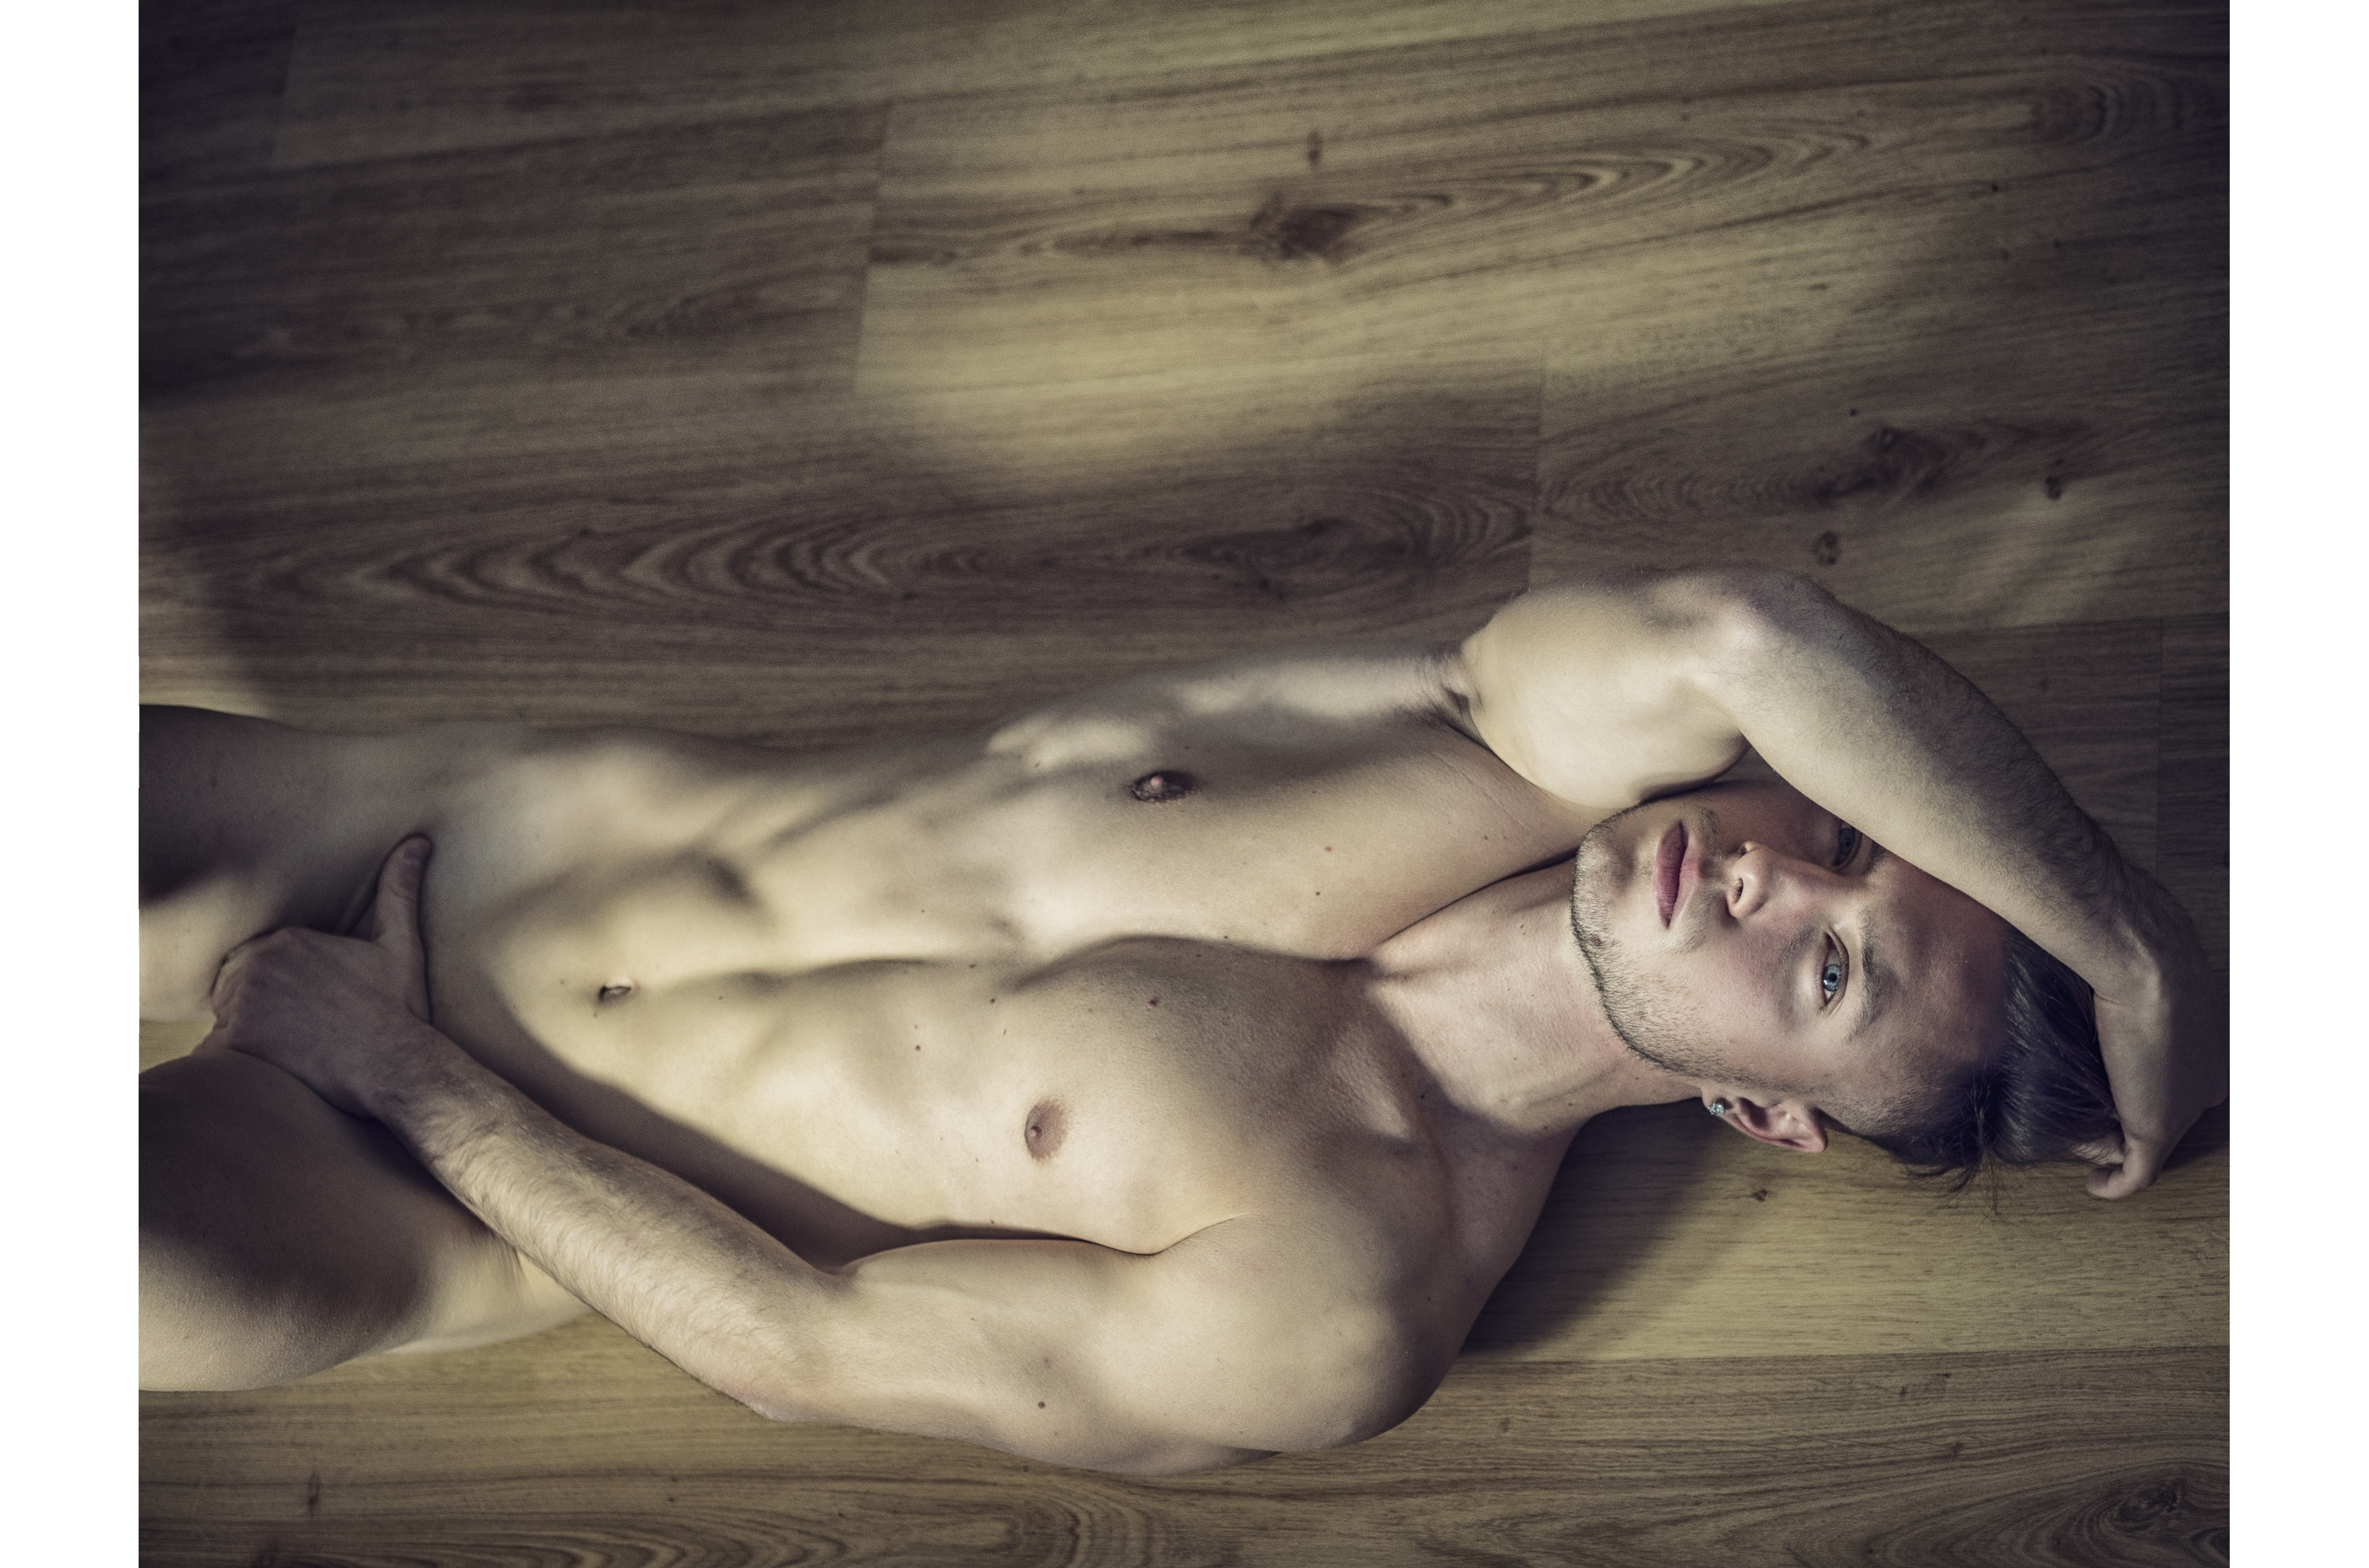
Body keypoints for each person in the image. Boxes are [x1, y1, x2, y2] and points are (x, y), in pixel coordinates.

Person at [138, 567, 2223, 1475]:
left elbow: (801, 1348)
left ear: (1769, 1116)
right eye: (1846, 839)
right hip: (435, 815)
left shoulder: (1350, 1293)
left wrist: (403, 1072)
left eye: (1831, 971)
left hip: (404, 1165)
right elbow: (1755, 631)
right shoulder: (1493, 733)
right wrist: (2131, 951)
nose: (1776, 878)